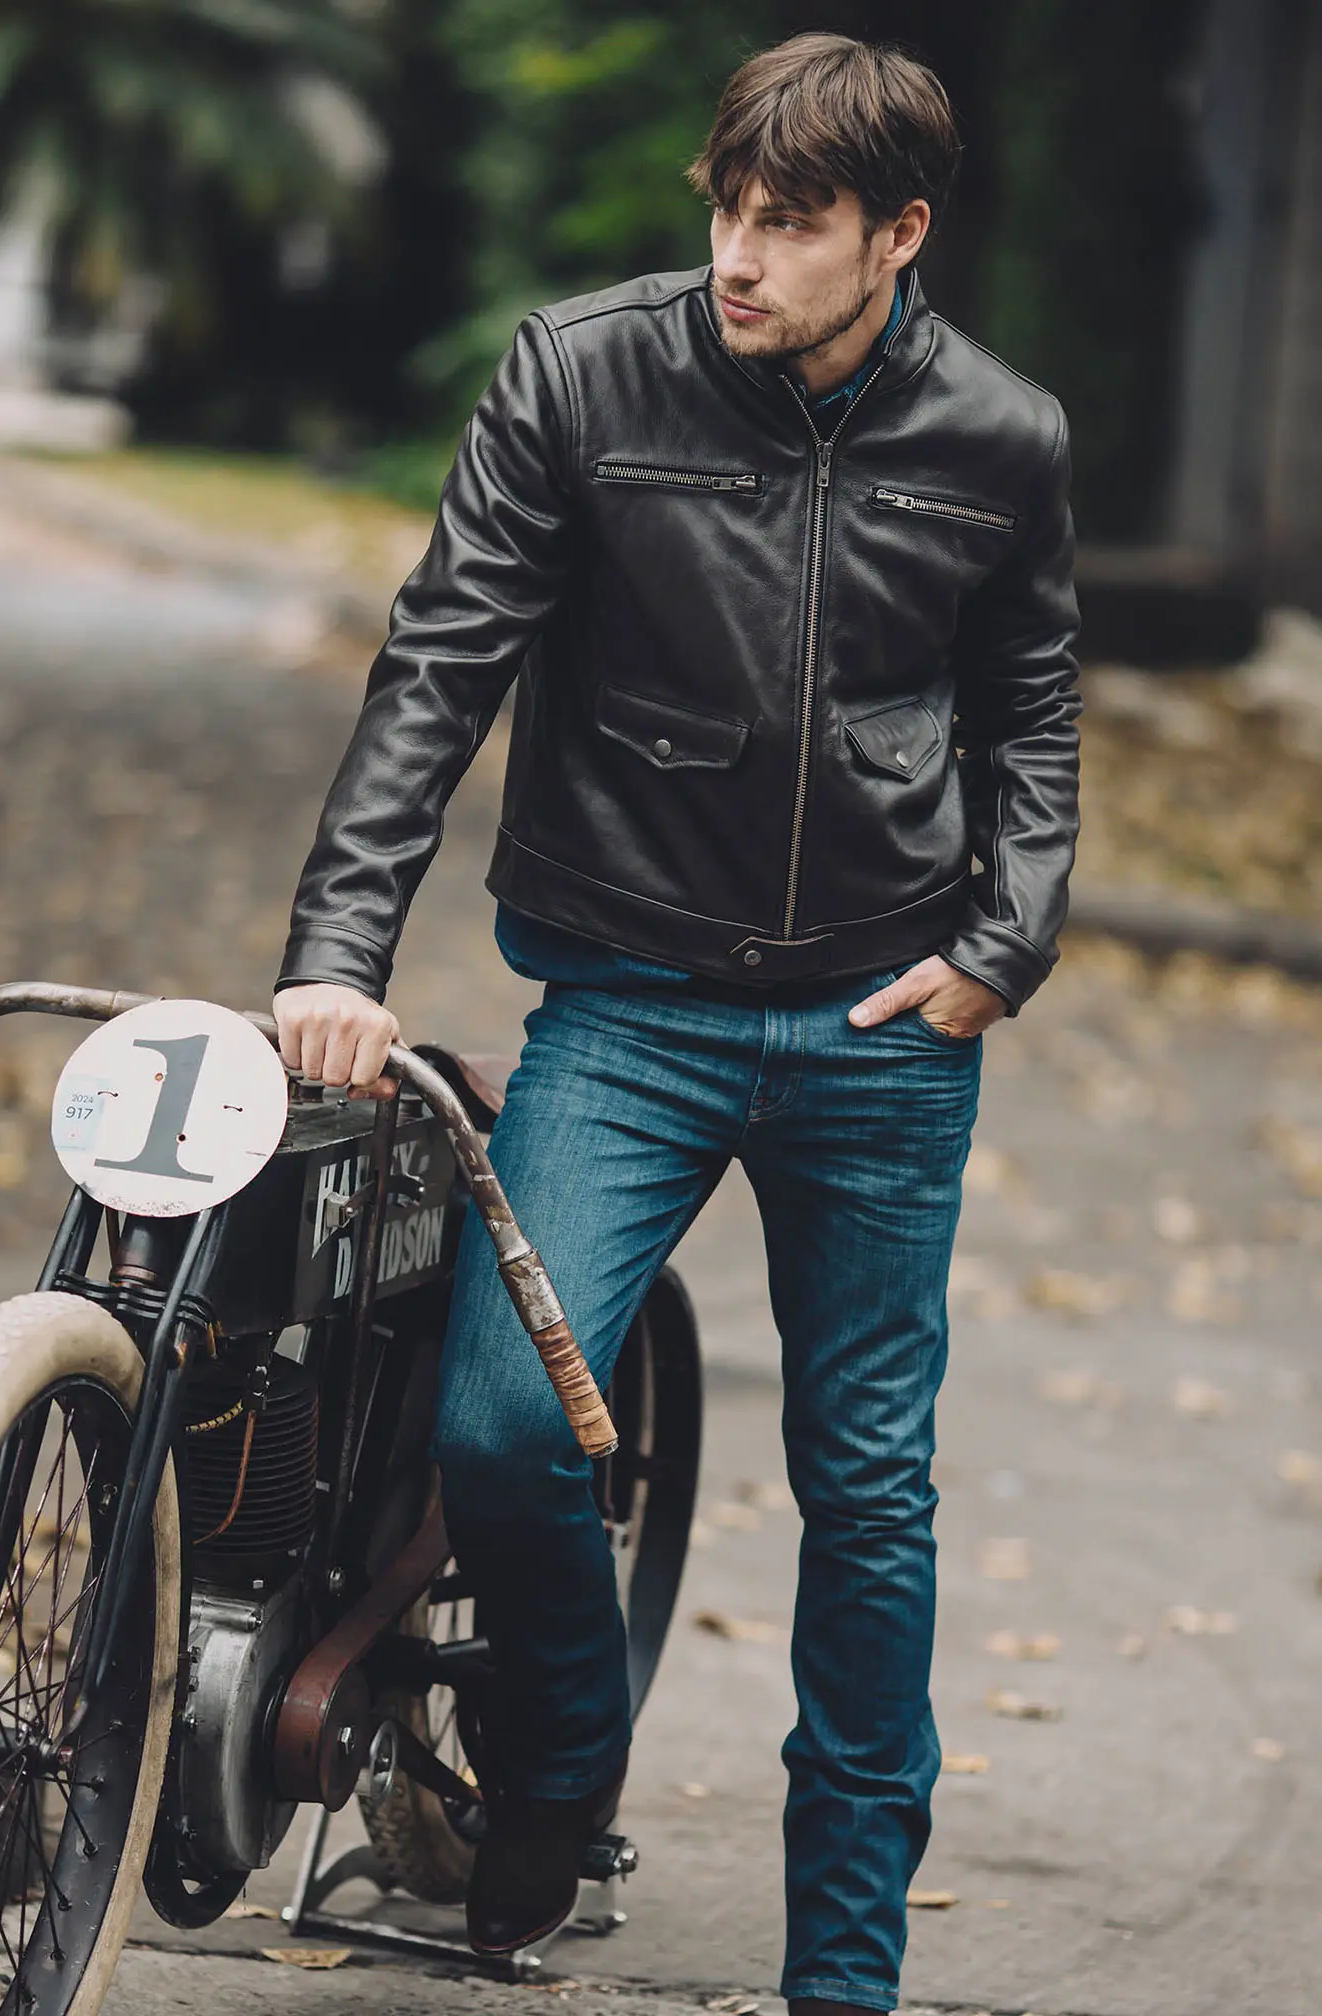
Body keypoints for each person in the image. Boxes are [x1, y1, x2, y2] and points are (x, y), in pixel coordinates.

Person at [273, 31, 1079, 2016]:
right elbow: (439, 662)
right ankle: (559, 1756)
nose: (738, 255)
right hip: (630, 1002)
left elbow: (1031, 711)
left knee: (866, 1496)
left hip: (883, 1026)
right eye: (727, 209)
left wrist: (1004, 942)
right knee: (499, 1420)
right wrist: (338, 953)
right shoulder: (582, 375)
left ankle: (843, 1975)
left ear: (896, 236)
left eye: (791, 224)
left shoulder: (1001, 436)